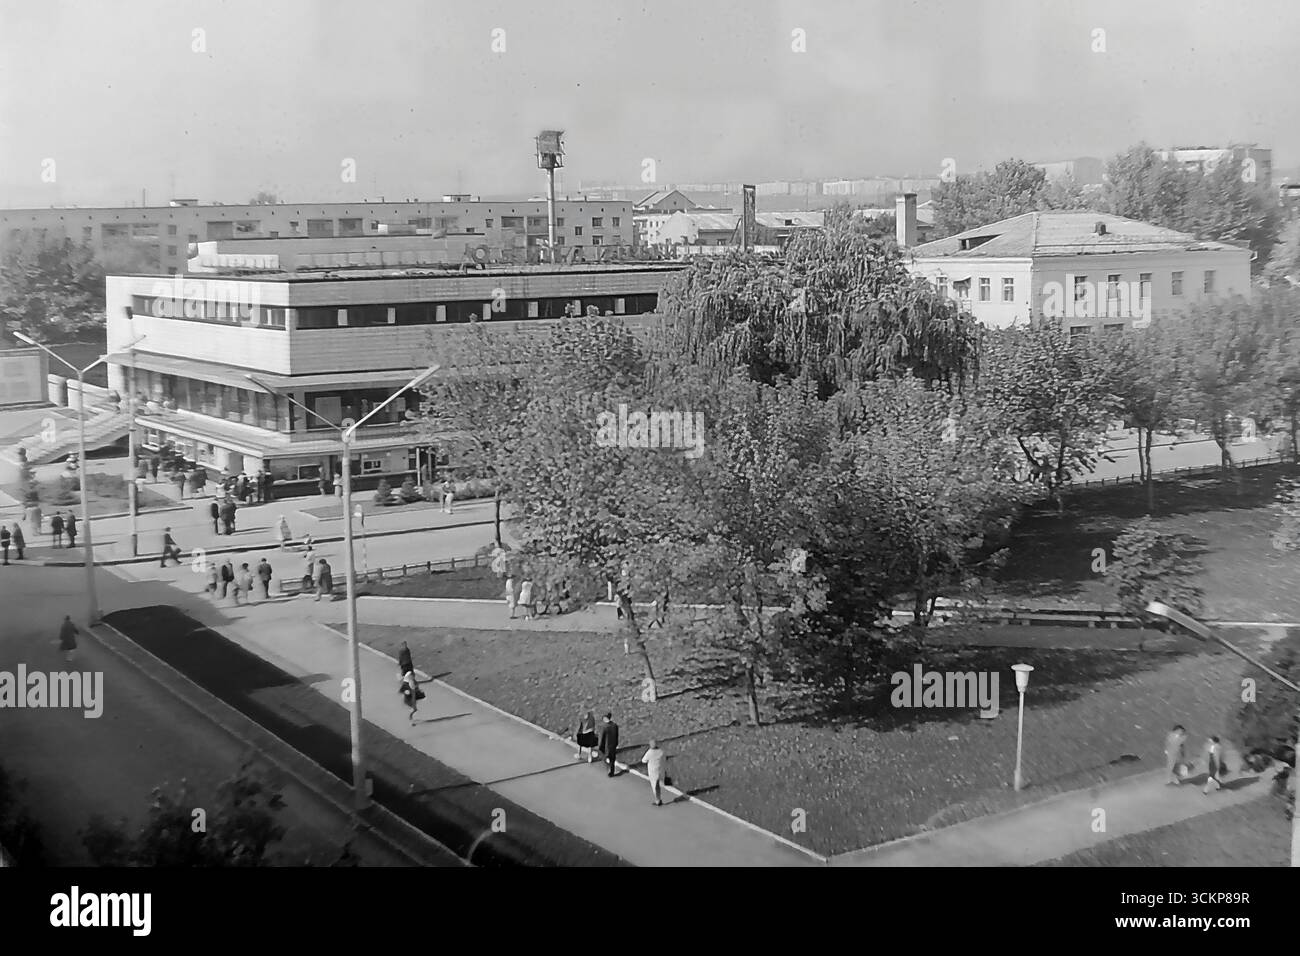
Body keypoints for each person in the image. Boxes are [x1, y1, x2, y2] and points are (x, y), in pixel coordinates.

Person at [642, 739, 668, 806]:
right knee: (658, 784)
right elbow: (664, 758)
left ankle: (658, 800)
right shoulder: (661, 751)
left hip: (652, 771)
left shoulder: (649, 752)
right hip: (660, 769)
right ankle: (659, 798)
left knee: (654, 785)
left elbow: (643, 760)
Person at [598, 712, 620, 778]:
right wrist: (616, 744)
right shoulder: (615, 725)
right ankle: (612, 772)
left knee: (605, 758)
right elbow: (617, 736)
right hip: (613, 745)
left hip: (606, 746)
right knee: (612, 759)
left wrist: (600, 746)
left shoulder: (604, 727)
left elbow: (602, 738)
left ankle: (609, 770)